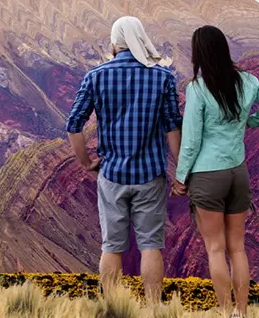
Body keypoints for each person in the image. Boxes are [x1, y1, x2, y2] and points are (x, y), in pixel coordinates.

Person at [173, 25, 259, 318]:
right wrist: (251, 122)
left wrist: (180, 177)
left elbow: (191, 141)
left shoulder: (198, 89)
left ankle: (225, 313)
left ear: (199, 53)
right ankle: (242, 311)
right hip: (238, 173)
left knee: (215, 249)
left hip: (207, 175)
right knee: (238, 248)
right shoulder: (248, 81)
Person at [66, 16, 183, 305]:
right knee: (151, 246)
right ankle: (154, 309)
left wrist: (86, 163)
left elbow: (74, 124)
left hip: (112, 174)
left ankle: (112, 307)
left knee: (112, 247)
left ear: (115, 42)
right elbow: (172, 127)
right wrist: (181, 172)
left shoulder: (96, 76)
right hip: (150, 174)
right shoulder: (163, 77)